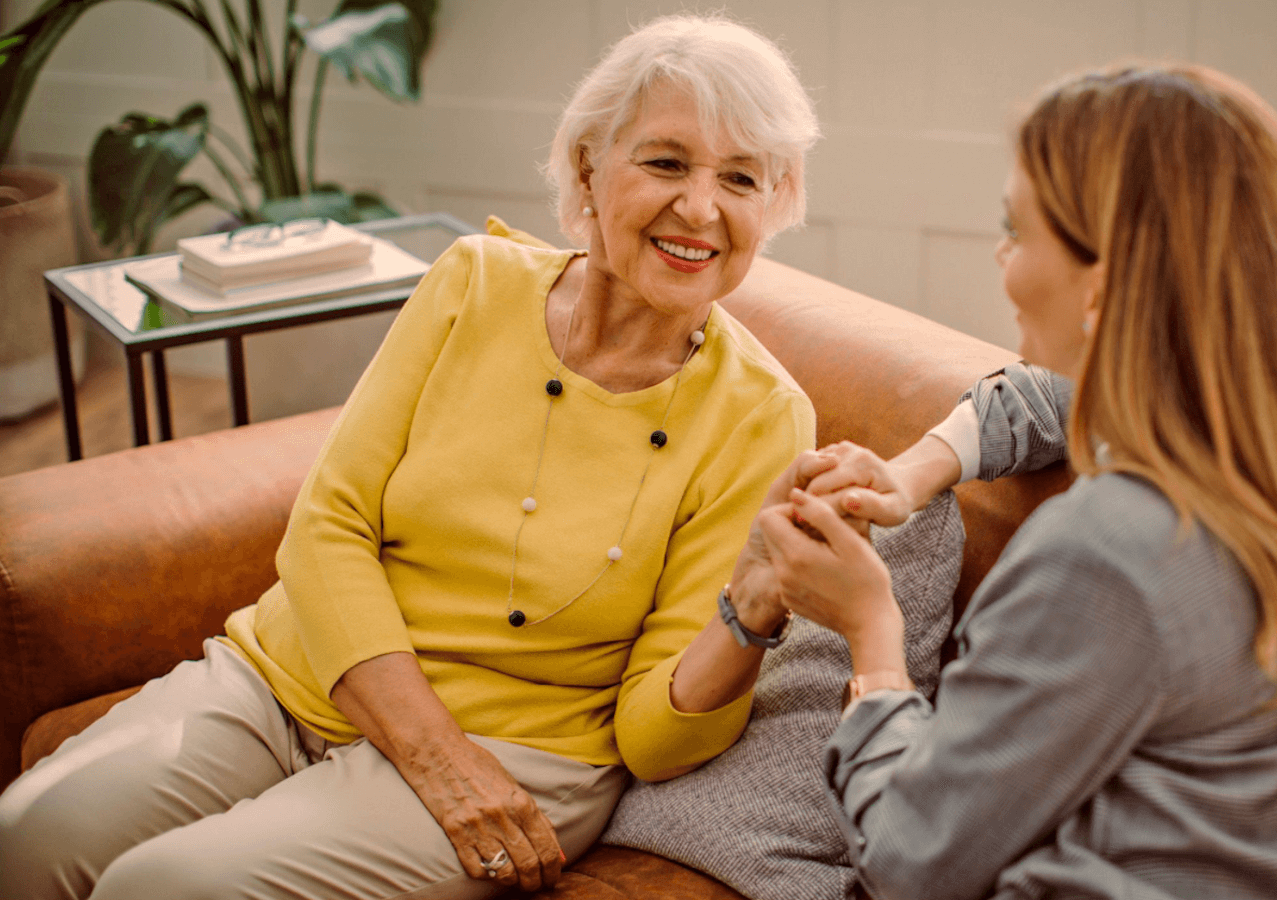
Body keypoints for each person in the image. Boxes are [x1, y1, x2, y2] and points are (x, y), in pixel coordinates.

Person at [0, 14, 818, 900]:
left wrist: (751, 614)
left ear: (773, 205)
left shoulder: (760, 418)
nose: (701, 207)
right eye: (665, 162)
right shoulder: (473, 282)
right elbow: (327, 526)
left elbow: (653, 741)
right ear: (588, 165)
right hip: (297, 671)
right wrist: (428, 750)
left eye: (741, 178)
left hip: (515, 748)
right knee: (26, 835)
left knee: (164, 888)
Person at [758, 64, 1277, 900]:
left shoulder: (1109, 552)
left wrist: (871, 631)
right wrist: (912, 476)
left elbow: (913, 859)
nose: (1002, 258)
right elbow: (1059, 398)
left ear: (1103, 281)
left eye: (1018, 230)